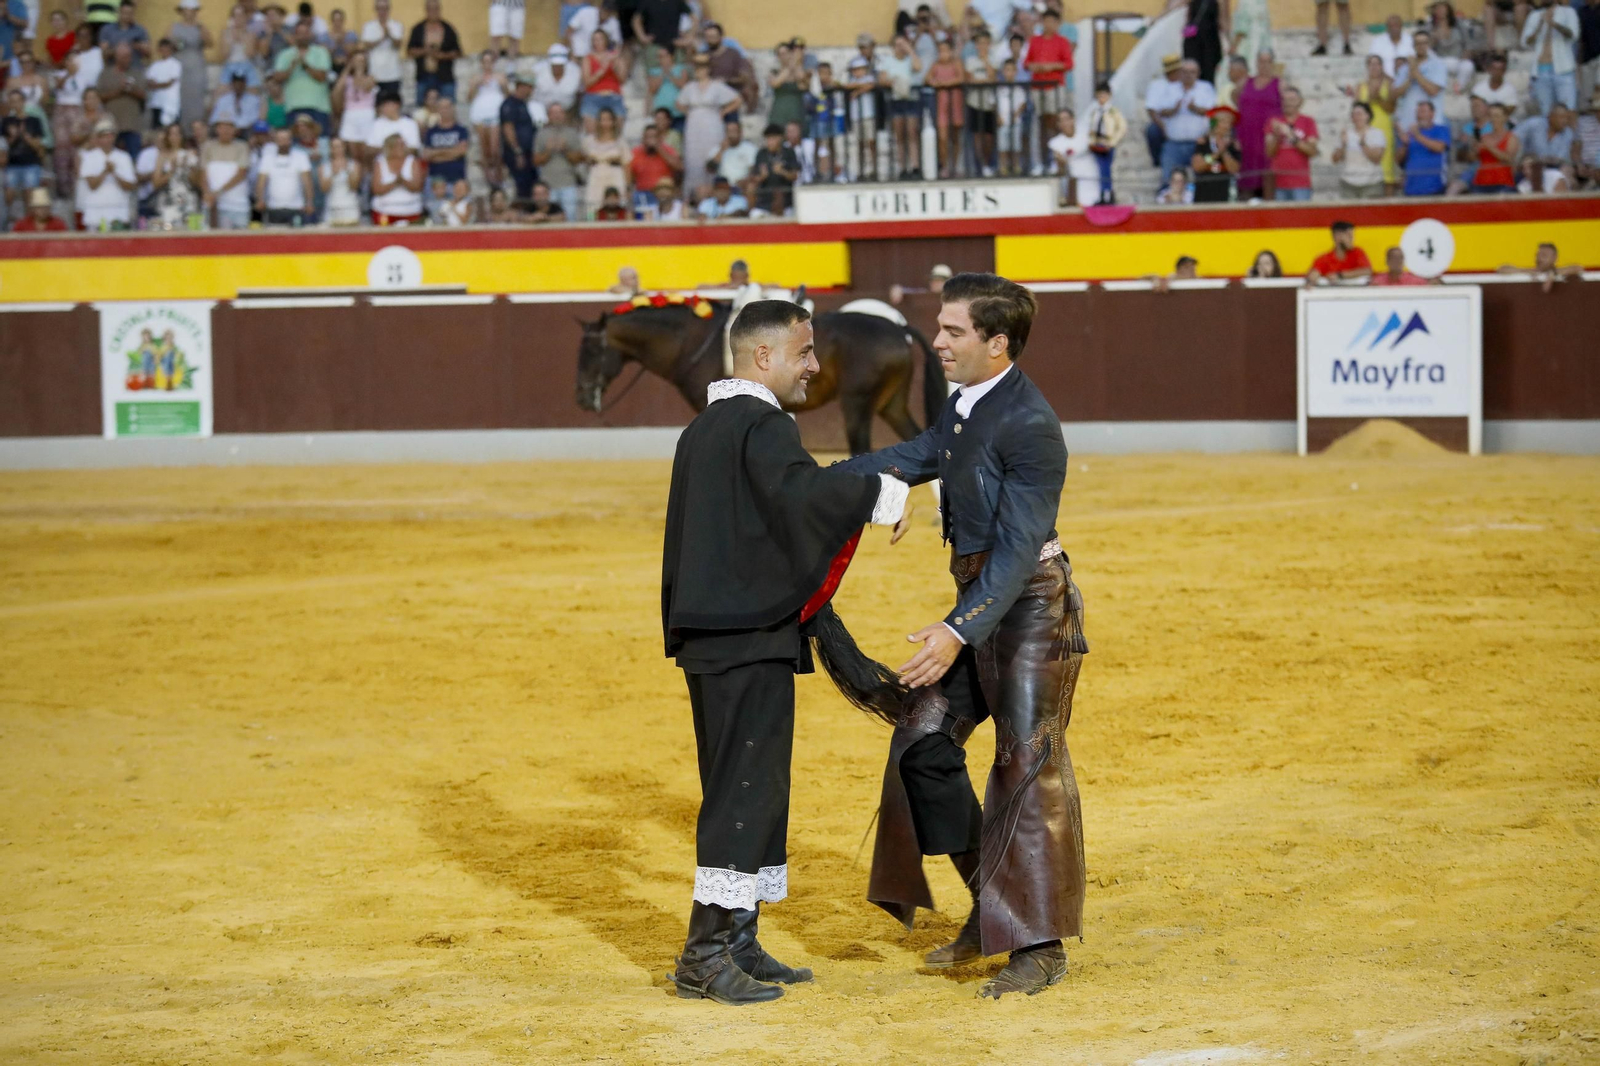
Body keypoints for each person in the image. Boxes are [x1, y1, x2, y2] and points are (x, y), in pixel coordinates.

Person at [835, 273, 1086, 1001]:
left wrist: (956, 628)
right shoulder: (966, 402)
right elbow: (911, 456)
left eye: (951, 331)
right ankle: (994, 909)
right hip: (983, 604)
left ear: (996, 341)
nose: (936, 342)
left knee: (1024, 762)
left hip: (1031, 609)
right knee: (921, 742)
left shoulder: (1031, 421)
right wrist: (810, 483)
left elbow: (1016, 550)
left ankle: (1037, 947)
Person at [661, 299, 911, 1006]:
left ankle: (737, 941)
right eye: (804, 352)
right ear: (763, 357)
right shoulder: (761, 425)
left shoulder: (705, 429)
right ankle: (704, 956)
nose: (815, 367)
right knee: (746, 791)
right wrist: (880, 492)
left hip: (719, 635)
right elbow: (799, 497)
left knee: (750, 786)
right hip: (743, 637)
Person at [1148, 58, 1215, 187]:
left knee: (1204, 182)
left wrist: (1194, 108)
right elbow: (1160, 111)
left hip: (1198, 145)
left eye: (1192, 72)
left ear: (1198, 73)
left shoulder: (1205, 88)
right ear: (1180, 73)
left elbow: (1212, 112)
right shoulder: (1170, 89)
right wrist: (1174, 109)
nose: (1188, 75)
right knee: (1167, 182)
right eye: (1185, 72)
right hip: (1174, 144)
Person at [1025, 9, 1073, 153]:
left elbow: (1069, 64)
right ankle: (1043, 156)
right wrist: (1035, 66)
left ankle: (1056, 154)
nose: (1049, 24)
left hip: (1054, 86)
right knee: (1041, 120)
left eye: (1052, 21)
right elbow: (1027, 63)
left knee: (1055, 119)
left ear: (1058, 23)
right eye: (1046, 21)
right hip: (1037, 85)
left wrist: (1051, 66)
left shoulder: (1062, 42)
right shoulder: (1035, 41)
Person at [274, 17, 332, 135]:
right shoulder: (285, 54)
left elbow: (322, 77)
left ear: (310, 34)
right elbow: (277, 78)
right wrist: (291, 66)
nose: (303, 36)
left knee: (320, 144)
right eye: (299, 33)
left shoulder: (321, 52)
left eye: (306, 33)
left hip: (318, 107)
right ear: (295, 35)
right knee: (296, 146)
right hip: (293, 106)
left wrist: (305, 64)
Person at [77, 118, 137, 228]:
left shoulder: (124, 157)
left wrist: (114, 173)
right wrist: (105, 172)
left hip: (118, 211)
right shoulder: (89, 157)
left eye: (110, 136)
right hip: (95, 212)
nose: (108, 139)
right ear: (98, 138)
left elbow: (130, 185)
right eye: (104, 136)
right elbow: (92, 185)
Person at [878, 33, 924, 180]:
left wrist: (910, 51)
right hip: (896, 99)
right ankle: (903, 167)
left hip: (911, 99)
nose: (900, 48)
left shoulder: (910, 59)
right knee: (900, 135)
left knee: (912, 133)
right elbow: (882, 79)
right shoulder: (887, 61)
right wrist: (895, 82)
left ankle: (915, 166)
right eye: (898, 45)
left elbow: (918, 67)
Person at [1522, 0, 1580, 114]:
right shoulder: (1534, 15)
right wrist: (1539, 25)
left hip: (1564, 69)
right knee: (1546, 112)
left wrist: (1554, 24)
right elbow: (1525, 42)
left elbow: (1573, 35)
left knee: (1568, 110)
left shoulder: (1568, 12)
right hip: (1540, 70)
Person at [1235, 50, 1279, 198]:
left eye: (1267, 61)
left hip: (1267, 137)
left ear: (1273, 63)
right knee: (1247, 172)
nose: (1264, 65)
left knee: (1267, 172)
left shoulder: (1279, 83)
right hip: (1247, 136)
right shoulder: (1245, 82)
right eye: (1261, 61)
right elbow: (1235, 96)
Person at [1263, 87, 1319, 200]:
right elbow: (1269, 152)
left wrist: (1291, 136)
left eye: (1292, 99)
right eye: (1285, 100)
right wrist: (1276, 136)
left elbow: (1312, 151)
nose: (1288, 103)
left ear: (1300, 101)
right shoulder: (1273, 122)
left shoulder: (1308, 122)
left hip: (1301, 183)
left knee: (1301, 217)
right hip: (1278, 183)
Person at [144, 120, 201, 228]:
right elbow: (155, 183)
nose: (175, 137)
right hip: (168, 202)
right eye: (172, 134)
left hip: (187, 201)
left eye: (178, 133)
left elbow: (196, 183)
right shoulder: (162, 156)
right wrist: (172, 170)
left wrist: (188, 168)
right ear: (167, 136)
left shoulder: (190, 154)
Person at [533, 101, 583, 220]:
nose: (556, 116)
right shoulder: (541, 134)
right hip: (548, 186)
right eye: (553, 113)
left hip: (568, 183)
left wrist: (565, 150)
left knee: (570, 217)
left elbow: (578, 159)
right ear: (548, 115)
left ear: (564, 115)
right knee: (549, 218)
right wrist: (548, 151)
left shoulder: (572, 133)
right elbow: (535, 161)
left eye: (559, 112)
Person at [254, 123, 312, 223]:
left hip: (296, 207)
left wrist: (309, 203)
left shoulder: (300, 156)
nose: (283, 142)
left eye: (286, 139)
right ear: (275, 140)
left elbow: (307, 182)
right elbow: (261, 182)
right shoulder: (267, 158)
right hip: (273, 207)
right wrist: (260, 200)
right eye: (280, 139)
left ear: (291, 140)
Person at [1, 89, 47, 215]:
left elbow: (38, 145)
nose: (15, 104)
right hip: (12, 165)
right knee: (8, 195)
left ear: (23, 102)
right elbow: (4, 146)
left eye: (18, 101)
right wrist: (14, 136)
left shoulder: (34, 120)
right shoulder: (6, 121)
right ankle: (6, 222)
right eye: (12, 101)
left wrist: (26, 137)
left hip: (31, 163)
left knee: (30, 195)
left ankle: (29, 225)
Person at [98, 42, 147, 157]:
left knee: (134, 158)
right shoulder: (105, 74)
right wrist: (119, 91)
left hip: (132, 125)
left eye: (129, 56)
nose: (128, 59)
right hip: (111, 125)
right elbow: (100, 97)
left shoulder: (137, 73)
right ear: (117, 57)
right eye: (125, 56)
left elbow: (144, 95)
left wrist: (131, 90)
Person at [200, 114, 251, 227]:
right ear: (217, 129)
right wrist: (208, 194)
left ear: (234, 130)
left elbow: (241, 173)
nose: (226, 130)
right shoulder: (208, 146)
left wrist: (218, 193)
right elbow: (203, 174)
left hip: (238, 206)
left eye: (229, 127)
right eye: (222, 127)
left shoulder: (242, 146)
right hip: (213, 205)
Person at [1393, 29, 1447, 134]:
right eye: (1417, 43)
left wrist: (1415, 71)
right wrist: (1409, 77)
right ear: (1413, 45)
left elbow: (1433, 91)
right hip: (1407, 124)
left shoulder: (1438, 64)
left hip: (1431, 125)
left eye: (1424, 43)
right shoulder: (1405, 68)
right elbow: (1396, 94)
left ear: (1430, 44)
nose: (1421, 46)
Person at [168, 0, 212, 128]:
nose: (189, 13)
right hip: (179, 66)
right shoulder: (174, 27)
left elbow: (210, 43)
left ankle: (195, 128)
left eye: (192, 10)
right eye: (186, 10)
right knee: (180, 98)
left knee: (196, 99)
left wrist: (200, 28)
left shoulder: (200, 27)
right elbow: (165, 43)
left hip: (196, 66)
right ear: (182, 11)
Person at [405, 0, 459, 103]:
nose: (433, 12)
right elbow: (409, 51)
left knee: (447, 105)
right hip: (423, 76)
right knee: (421, 109)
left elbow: (457, 52)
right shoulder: (418, 29)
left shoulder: (448, 29)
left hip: (445, 77)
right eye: (430, 9)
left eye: (436, 9)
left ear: (439, 10)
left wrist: (441, 56)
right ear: (426, 10)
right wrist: (425, 51)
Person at [1333, 100, 1387, 199]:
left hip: (1372, 183)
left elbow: (1376, 159)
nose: (1356, 117)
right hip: (1348, 183)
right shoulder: (1346, 134)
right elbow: (1335, 159)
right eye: (1353, 114)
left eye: (1359, 114)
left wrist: (1363, 144)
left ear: (1368, 116)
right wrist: (1343, 145)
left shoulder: (1377, 134)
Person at [1083, 81, 1125, 204]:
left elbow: (1122, 128)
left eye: (1103, 95)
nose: (1101, 98)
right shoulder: (1095, 112)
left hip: (1107, 143)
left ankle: (1108, 194)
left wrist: (1112, 142)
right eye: (1099, 95)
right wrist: (1091, 141)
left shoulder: (1113, 112)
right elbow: (1092, 128)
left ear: (1109, 95)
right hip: (1097, 143)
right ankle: (1103, 194)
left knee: (1106, 170)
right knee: (1101, 170)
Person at [1399, 98, 1452, 195]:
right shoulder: (1409, 133)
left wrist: (1418, 136)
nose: (1419, 115)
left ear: (1432, 114)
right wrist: (1405, 144)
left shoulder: (1441, 130)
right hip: (1411, 189)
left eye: (1423, 111)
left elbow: (1439, 148)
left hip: (1434, 188)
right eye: (1417, 112)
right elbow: (1399, 160)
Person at [499, 72, 538, 201]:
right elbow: (508, 129)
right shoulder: (510, 104)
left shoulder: (523, 104)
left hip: (527, 153)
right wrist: (517, 151)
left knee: (529, 185)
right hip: (517, 154)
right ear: (521, 86)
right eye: (530, 87)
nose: (531, 90)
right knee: (521, 187)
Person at [582, 104, 626, 216]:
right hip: (595, 177)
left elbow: (627, 164)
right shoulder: (589, 141)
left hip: (615, 176)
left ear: (614, 121)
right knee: (592, 208)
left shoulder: (620, 142)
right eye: (602, 119)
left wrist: (628, 186)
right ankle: (591, 229)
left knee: (616, 206)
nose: (605, 123)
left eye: (608, 119)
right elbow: (584, 161)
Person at [579, 28, 626, 132]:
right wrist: (602, 69)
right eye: (595, 40)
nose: (597, 42)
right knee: (591, 133)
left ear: (606, 40)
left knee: (616, 132)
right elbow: (587, 83)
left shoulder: (616, 57)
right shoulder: (587, 58)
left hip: (613, 96)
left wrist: (614, 65)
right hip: (593, 96)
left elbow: (622, 79)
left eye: (600, 39)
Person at [1191, 104, 1241, 201]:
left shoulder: (1233, 145)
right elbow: (1198, 166)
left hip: (1225, 188)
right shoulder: (1203, 142)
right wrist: (1216, 154)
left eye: (1229, 123)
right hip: (1205, 187)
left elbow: (1234, 169)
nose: (1227, 126)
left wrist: (1224, 152)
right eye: (1223, 122)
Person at [369, 130, 421, 223]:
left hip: (410, 211)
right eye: (399, 145)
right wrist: (395, 182)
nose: (403, 147)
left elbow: (416, 186)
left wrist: (403, 181)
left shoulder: (412, 161)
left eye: (403, 144)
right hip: (384, 212)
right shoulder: (380, 162)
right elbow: (377, 189)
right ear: (390, 147)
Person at [750, 121, 798, 214]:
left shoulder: (788, 153)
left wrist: (782, 172)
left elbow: (794, 176)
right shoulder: (762, 154)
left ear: (780, 138)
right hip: (765, 200)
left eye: (772, 138)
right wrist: (762, 177)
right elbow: (754, 178)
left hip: (786, 200)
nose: (769, 142)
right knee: (755, 215)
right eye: (768, 139)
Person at [358, 0, 403, 98]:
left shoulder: (396, 25)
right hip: (375, 74)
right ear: (376, 10)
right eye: (380, 9)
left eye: (385, 9)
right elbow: (366, 45)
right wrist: (382, 38)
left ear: (389, 10)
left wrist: (389, 35)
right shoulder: (369, 26)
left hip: (393, 74)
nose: (382, 12)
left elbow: (398, 45)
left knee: (392, 103)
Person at [1306, 220, 1373, 285]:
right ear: (1337, 236)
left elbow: (1367, 271)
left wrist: (1340, 275)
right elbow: (1313, 275)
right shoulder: (1324, 259)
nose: (1352, 239)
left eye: (1352, 236)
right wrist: (1312, 278)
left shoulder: (1358, 252)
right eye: (1349, 236)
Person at [1471, 101, 1519, 190]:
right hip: (1481, 181)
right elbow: (1474, 158)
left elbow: (1508, 158)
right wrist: (1474, 149)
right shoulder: (1484, 137)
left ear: (1505, 118)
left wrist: (1490, 147)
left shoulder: (1511, 138)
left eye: (1497, 116)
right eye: (1491, 116)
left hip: (1502, 182)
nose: (1493, 119)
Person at [332, 49, 374, 151]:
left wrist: (359, 70)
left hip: (366, 113)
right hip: (350, 113)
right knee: (351, 148)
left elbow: (361, 86)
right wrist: (348, 68)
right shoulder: (347, 79)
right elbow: (336, 91)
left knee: (365, 146)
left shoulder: (371, 78)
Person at [1498, 240, 1584, 289]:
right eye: (1538, 255)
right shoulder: (1531, 271)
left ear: (1554, 257)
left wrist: (1554, 274)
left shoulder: (1558, 272)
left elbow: (1578, 268)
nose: (1540, 258)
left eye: (1544, 255)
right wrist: (1524, 271)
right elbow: (1501, 269)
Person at [627, 120, 681, 193]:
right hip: (643, 193)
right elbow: (629, 177)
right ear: (643, 139)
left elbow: (679, 167)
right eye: (648, 137)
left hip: (664, 192)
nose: (651, 140)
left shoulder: (667, 150)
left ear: (660, 138)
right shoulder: (635, 152)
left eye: (654, 137)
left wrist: (659, 149)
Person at [318, 132, 360, 223]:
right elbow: (324, 189)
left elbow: (354, 187)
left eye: (339, 146)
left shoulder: (354, 165)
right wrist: (333, 173)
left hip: (350, 207)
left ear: (344, 147)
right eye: (334, 147)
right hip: (331, 207)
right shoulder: (324, 167)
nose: (337, 150)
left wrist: (348, 171)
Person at [1181, 0, 1226, 83]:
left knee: (1200, 70)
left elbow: (1188, 19)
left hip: (1199, 40)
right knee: (1202, 70)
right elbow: (1221, 22)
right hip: (1205, 40)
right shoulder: (1218, 2)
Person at [533, 41, 581, 115]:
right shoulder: (537, 70)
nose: (557, 67)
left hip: (567, 110)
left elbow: (579, 93)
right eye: (555, 65)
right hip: (541, 109)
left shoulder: (576, 71)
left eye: (560, 65)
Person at [1368, 15, 1416, 79]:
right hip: (1383, 80)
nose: (1394, 28)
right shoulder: (1378, 41)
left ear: (1401, 26)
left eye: (1396, 25)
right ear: (1387, 27)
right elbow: (1371, 62)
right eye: (1391, 26)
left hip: (1408, 80)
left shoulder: (1411, 40)